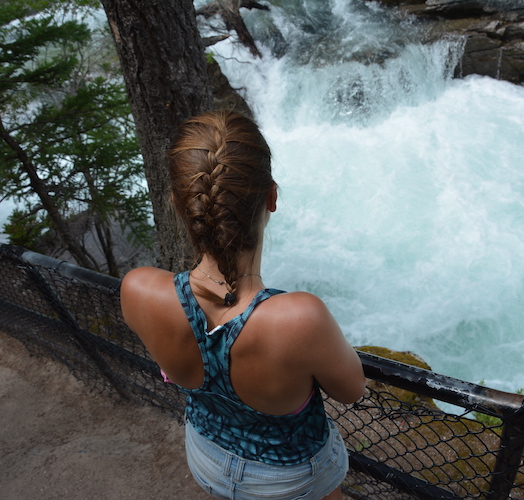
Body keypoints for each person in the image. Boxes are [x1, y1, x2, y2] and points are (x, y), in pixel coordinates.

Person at [120, 109, 366, 500]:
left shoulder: (138, 290)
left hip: (207, 457)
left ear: (177, 203)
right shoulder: (299, 319)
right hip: (290, 478)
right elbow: (352, 391)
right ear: (271, 197)